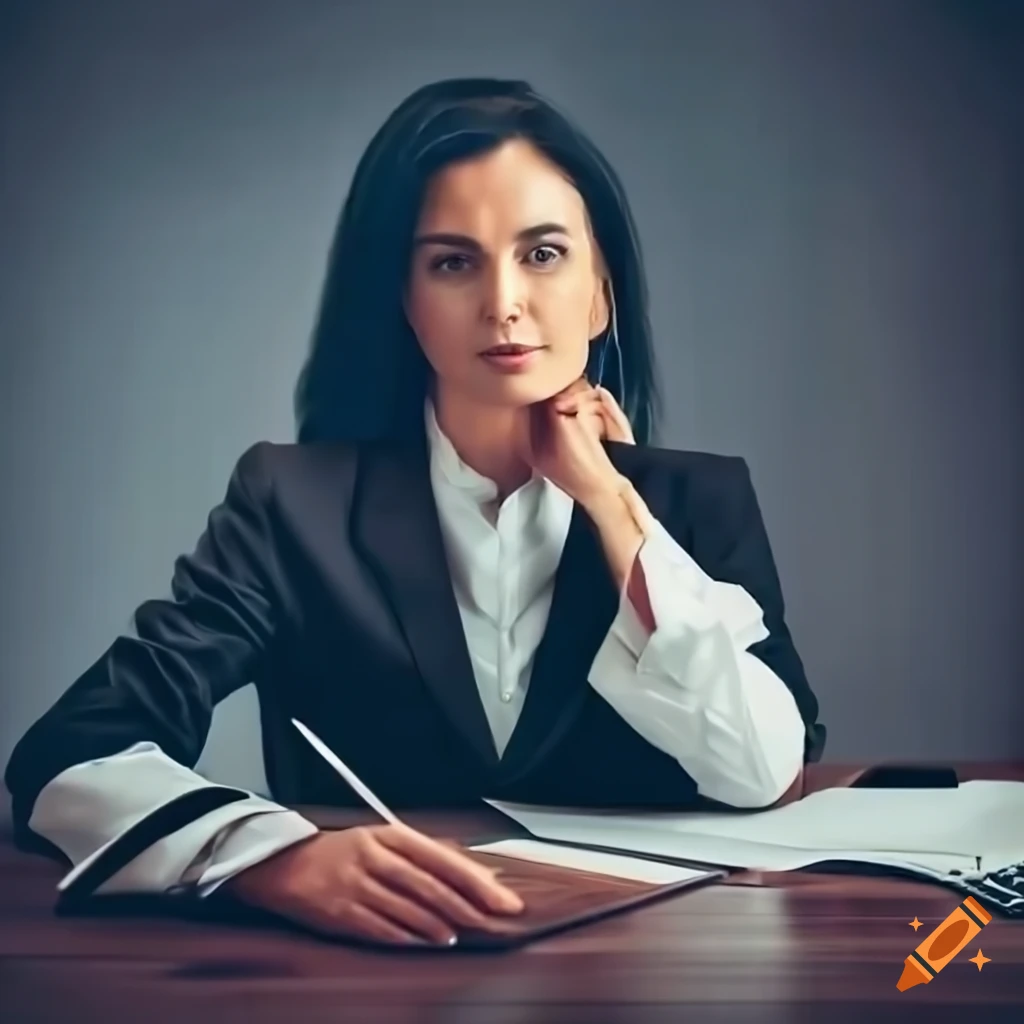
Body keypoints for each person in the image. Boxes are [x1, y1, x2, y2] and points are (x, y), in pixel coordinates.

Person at [4, 77, 825, 949]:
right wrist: (270, 858)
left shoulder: (698, 500)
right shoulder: (294, 504)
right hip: (357, 977)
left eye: (543, 254)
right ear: (404, 300)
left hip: (656, 973)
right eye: (453, 261)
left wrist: (613, 509)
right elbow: (69, 754)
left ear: (601, 292)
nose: (503, 302)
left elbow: (764, 775)